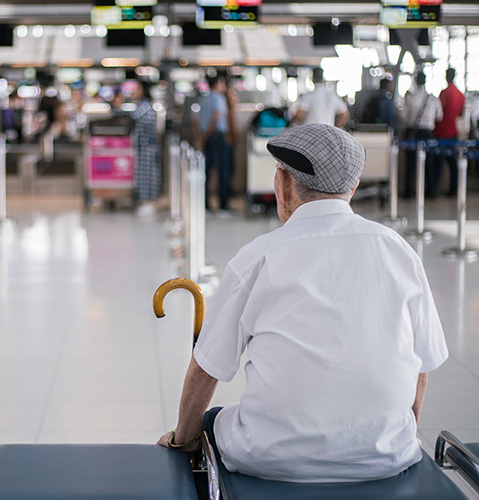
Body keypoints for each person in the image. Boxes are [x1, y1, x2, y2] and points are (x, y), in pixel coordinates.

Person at [157, 123, 448, 483]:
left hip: (271, 459)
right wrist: (395, 438)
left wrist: (181, 440)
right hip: (389, 458)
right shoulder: (399, 251)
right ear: (352, 189)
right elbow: (423, 366)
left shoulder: (258, 258)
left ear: (282, 183)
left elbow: (207, 367)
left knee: (212, 420)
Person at [193, 72, 232, 214]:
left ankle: (206, 206)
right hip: (217, 137)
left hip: (207, 138)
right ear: (216, 84)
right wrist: (209, 132)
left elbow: (196, 121)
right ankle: (223, 206)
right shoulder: (218, 98)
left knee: (206, 172)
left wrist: (202, 136)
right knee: (223, 172)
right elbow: (217, 116)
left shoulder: (203, 100)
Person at [402, 71, 443, 198]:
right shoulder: (433, 98)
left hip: (414, 133)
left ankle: (408, 192)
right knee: (429, 163)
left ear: (415, 81)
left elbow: (404, 117)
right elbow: (439, 116)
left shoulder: (410, 98)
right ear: (425, 81)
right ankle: (431, 192)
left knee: (410, 164)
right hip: (428, 133)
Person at [431, 68, 466, 198]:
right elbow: (461, 114)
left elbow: (438, 113)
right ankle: (454, 189)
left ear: (447, 76)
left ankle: (433, 190)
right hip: (453, 132)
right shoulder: (460, 95)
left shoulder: (444, 93)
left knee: (437, 163)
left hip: (441, 132)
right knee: (453, 163)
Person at [130, 80, 161, 217]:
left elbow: (132, 116)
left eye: (136, 88)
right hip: (145, 147)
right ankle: (145, 201)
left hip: (147, 148)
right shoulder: (145, 105)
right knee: (144, 175)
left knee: (147, 176)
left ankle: (148, 202)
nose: (133, 91)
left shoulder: (144, 106)